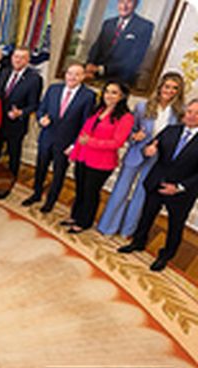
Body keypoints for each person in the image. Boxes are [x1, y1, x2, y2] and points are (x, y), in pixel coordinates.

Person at [98, 72, 185, 237]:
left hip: (157, 158)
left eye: (175, 88)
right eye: (167, 86)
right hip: (136, 153)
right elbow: (129, 130)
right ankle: (107, 227)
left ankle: (127, 231)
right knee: (120, 190)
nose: (170, 91)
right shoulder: (142, 106)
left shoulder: (179, 113)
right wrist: (134, 136)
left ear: (179, 92)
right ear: (160, 87)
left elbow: (176, 138)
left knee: (141, 194)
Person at [119, 99, 198, 271]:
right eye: (189, 111)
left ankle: (165, 256)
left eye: (197, 113)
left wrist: (178, 187)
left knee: (175, 226)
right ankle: (138, 242)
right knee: (146, 216)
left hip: (181, 192)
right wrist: (148, 150)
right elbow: (152, 145)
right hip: (157, 183)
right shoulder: (171, 130)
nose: (192, 116)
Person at [23, 63, 96, 211]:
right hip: (46, 138)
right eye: (69, 73)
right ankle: (36, 194)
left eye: (77, 74)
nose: (72, 77)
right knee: (40, 169)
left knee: (59, 174)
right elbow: (41, 109)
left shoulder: (88, 96)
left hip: (66, 143)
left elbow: (86, 124)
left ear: (83, 77)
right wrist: (41, 118)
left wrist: (75, 145)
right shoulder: (53, 89)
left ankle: (50, 201)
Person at [63, 81, 133, 234]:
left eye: (114, 92)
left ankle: (84, 222)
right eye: (107, 91)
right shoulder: (98, 109)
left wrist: (91, 142)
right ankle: (75, 216)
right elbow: (83, 133)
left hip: (102, 162)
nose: (109, 95)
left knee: (91, 192)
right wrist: (75, 153)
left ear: (122, 96)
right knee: (80, 189)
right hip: (83, 157)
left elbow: (117, 143)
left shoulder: (126, 117)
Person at [0, 46, 43, 198]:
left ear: (28, 60)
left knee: (13, 157)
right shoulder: (4, 72)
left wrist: (21, 112)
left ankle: (7, 186)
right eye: (16, 57)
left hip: (16, 125)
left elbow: (34, 105)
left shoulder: (34, 79)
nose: (18, 60)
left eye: (22, 57)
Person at [86, 0, 154, 85]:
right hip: (95, 76)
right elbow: (97, 47)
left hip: (120, 81)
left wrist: (101, 69)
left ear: (136, 4)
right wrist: (90, 64)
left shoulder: (145, 26)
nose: (124, 6)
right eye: (121, 2)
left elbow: (134, 60)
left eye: (129, 2)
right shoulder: (108, 23)